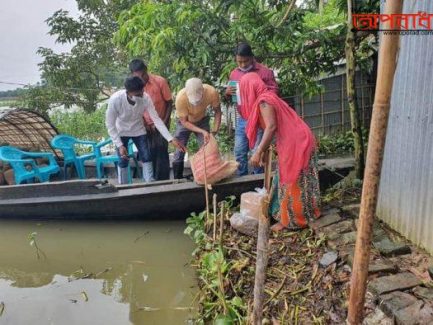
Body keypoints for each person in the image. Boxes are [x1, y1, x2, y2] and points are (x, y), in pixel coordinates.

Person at [239, 73, 321, 231]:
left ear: (248, 89)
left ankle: (292, 221)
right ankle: (300, 213)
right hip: (299, 137)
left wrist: (258, 151)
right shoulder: (268, 96)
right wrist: (263, 151)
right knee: (292, 178)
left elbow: (271, 127)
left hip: (295, 141)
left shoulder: (264, 101)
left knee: (292, 180)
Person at [106, 76, 185, 184]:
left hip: (138, 130)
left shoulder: (145, 98)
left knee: (147, 156)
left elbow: (156, 120)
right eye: (138, 94)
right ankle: (123, 185)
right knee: (123, 159)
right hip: (121, 131)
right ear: (129, 92)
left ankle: (149, 183)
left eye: (142, 91)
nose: (142, 94)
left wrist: (170, 139)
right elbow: (110, 125)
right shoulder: (115, 100)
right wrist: (120, 145)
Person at [226, 42, 279, 177]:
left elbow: (272, 95)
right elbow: (233, 97)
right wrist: (228, 92)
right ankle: (242, 178)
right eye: (239, 62)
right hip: (243, 118)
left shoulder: (265, 72)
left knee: (257, 151)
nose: (243, 65)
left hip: (259, 119)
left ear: (252, 57)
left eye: (246, 61)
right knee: (239, 151)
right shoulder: (234, 74)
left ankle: (258, 178)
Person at [129, 59, 173, 181]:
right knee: (148, 153)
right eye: (138, 76)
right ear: (133, 75)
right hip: (144, 125)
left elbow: (169, 102)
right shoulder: (134, 87)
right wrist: (145, 124)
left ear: (146, 70)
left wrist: (164, 121)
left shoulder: (160, 82)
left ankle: (164, 182)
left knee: (161, 152)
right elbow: (135, 108)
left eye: (143, 74)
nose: (142, 78)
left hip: (161, 121)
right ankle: (150, 181)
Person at [173, 78, 222, 179]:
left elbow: (218, 112)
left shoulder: (212, 92)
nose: (195, 104)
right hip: (184, 123)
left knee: (207, 147)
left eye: (198, 101)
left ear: (203, 91)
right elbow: (184, 122)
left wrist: (215, 130)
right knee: (179, 148)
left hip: (202, 120)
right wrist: (202, 131)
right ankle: (177, 178)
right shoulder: (180, 98)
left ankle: (208, 176)